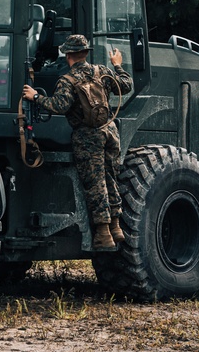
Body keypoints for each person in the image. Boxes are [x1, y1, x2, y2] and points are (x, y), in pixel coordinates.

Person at [22, 34, 133, 250]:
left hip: (87, 136)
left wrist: (35, 97)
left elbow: (59, 106)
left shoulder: (68, 80)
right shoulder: (102, 71)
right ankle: (116, 227)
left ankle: (103, 234)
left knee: (95, 183)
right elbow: (126, 85)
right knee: (111, 177)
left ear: (68, 54)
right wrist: (117, 65)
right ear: (85, 53)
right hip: (110, 131)